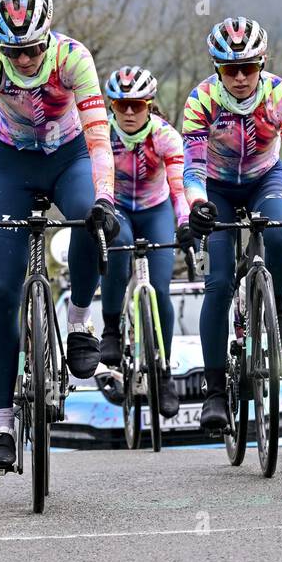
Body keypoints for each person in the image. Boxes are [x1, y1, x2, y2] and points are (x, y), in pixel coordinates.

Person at [0, 0, 120, 471]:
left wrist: (105, 198)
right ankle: (2, 423)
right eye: (13, 52)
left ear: (48, 36)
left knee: (91, 220)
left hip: (69, 158)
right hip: (12, 164)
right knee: (1, 291)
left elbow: (98, 138)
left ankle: (80, 322)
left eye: (31, 50)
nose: (23, 61)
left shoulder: (71, 58)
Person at [180, 17, 282, 432]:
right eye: (231, 69)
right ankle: (215, 392)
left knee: (281, 235)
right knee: (218, 283)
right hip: (218, 187)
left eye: (249, 67)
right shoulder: (201, 100)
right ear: (217, 68)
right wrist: (197, 204)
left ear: (262, 64)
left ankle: (278, 313)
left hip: (267, 178)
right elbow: (191, 169)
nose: (242, 77)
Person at [94, 65, 188, 421]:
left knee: (161, 290)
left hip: (155, 208)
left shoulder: (164, 136)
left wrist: (185, 222)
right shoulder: (101, 131)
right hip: (117, 206)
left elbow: (179, 186)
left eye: (137, 105)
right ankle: (110, 330)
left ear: (150, 104)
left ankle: (163, 374)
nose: (130, 112)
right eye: (121, 105)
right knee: (119, 247)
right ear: (112, 106)